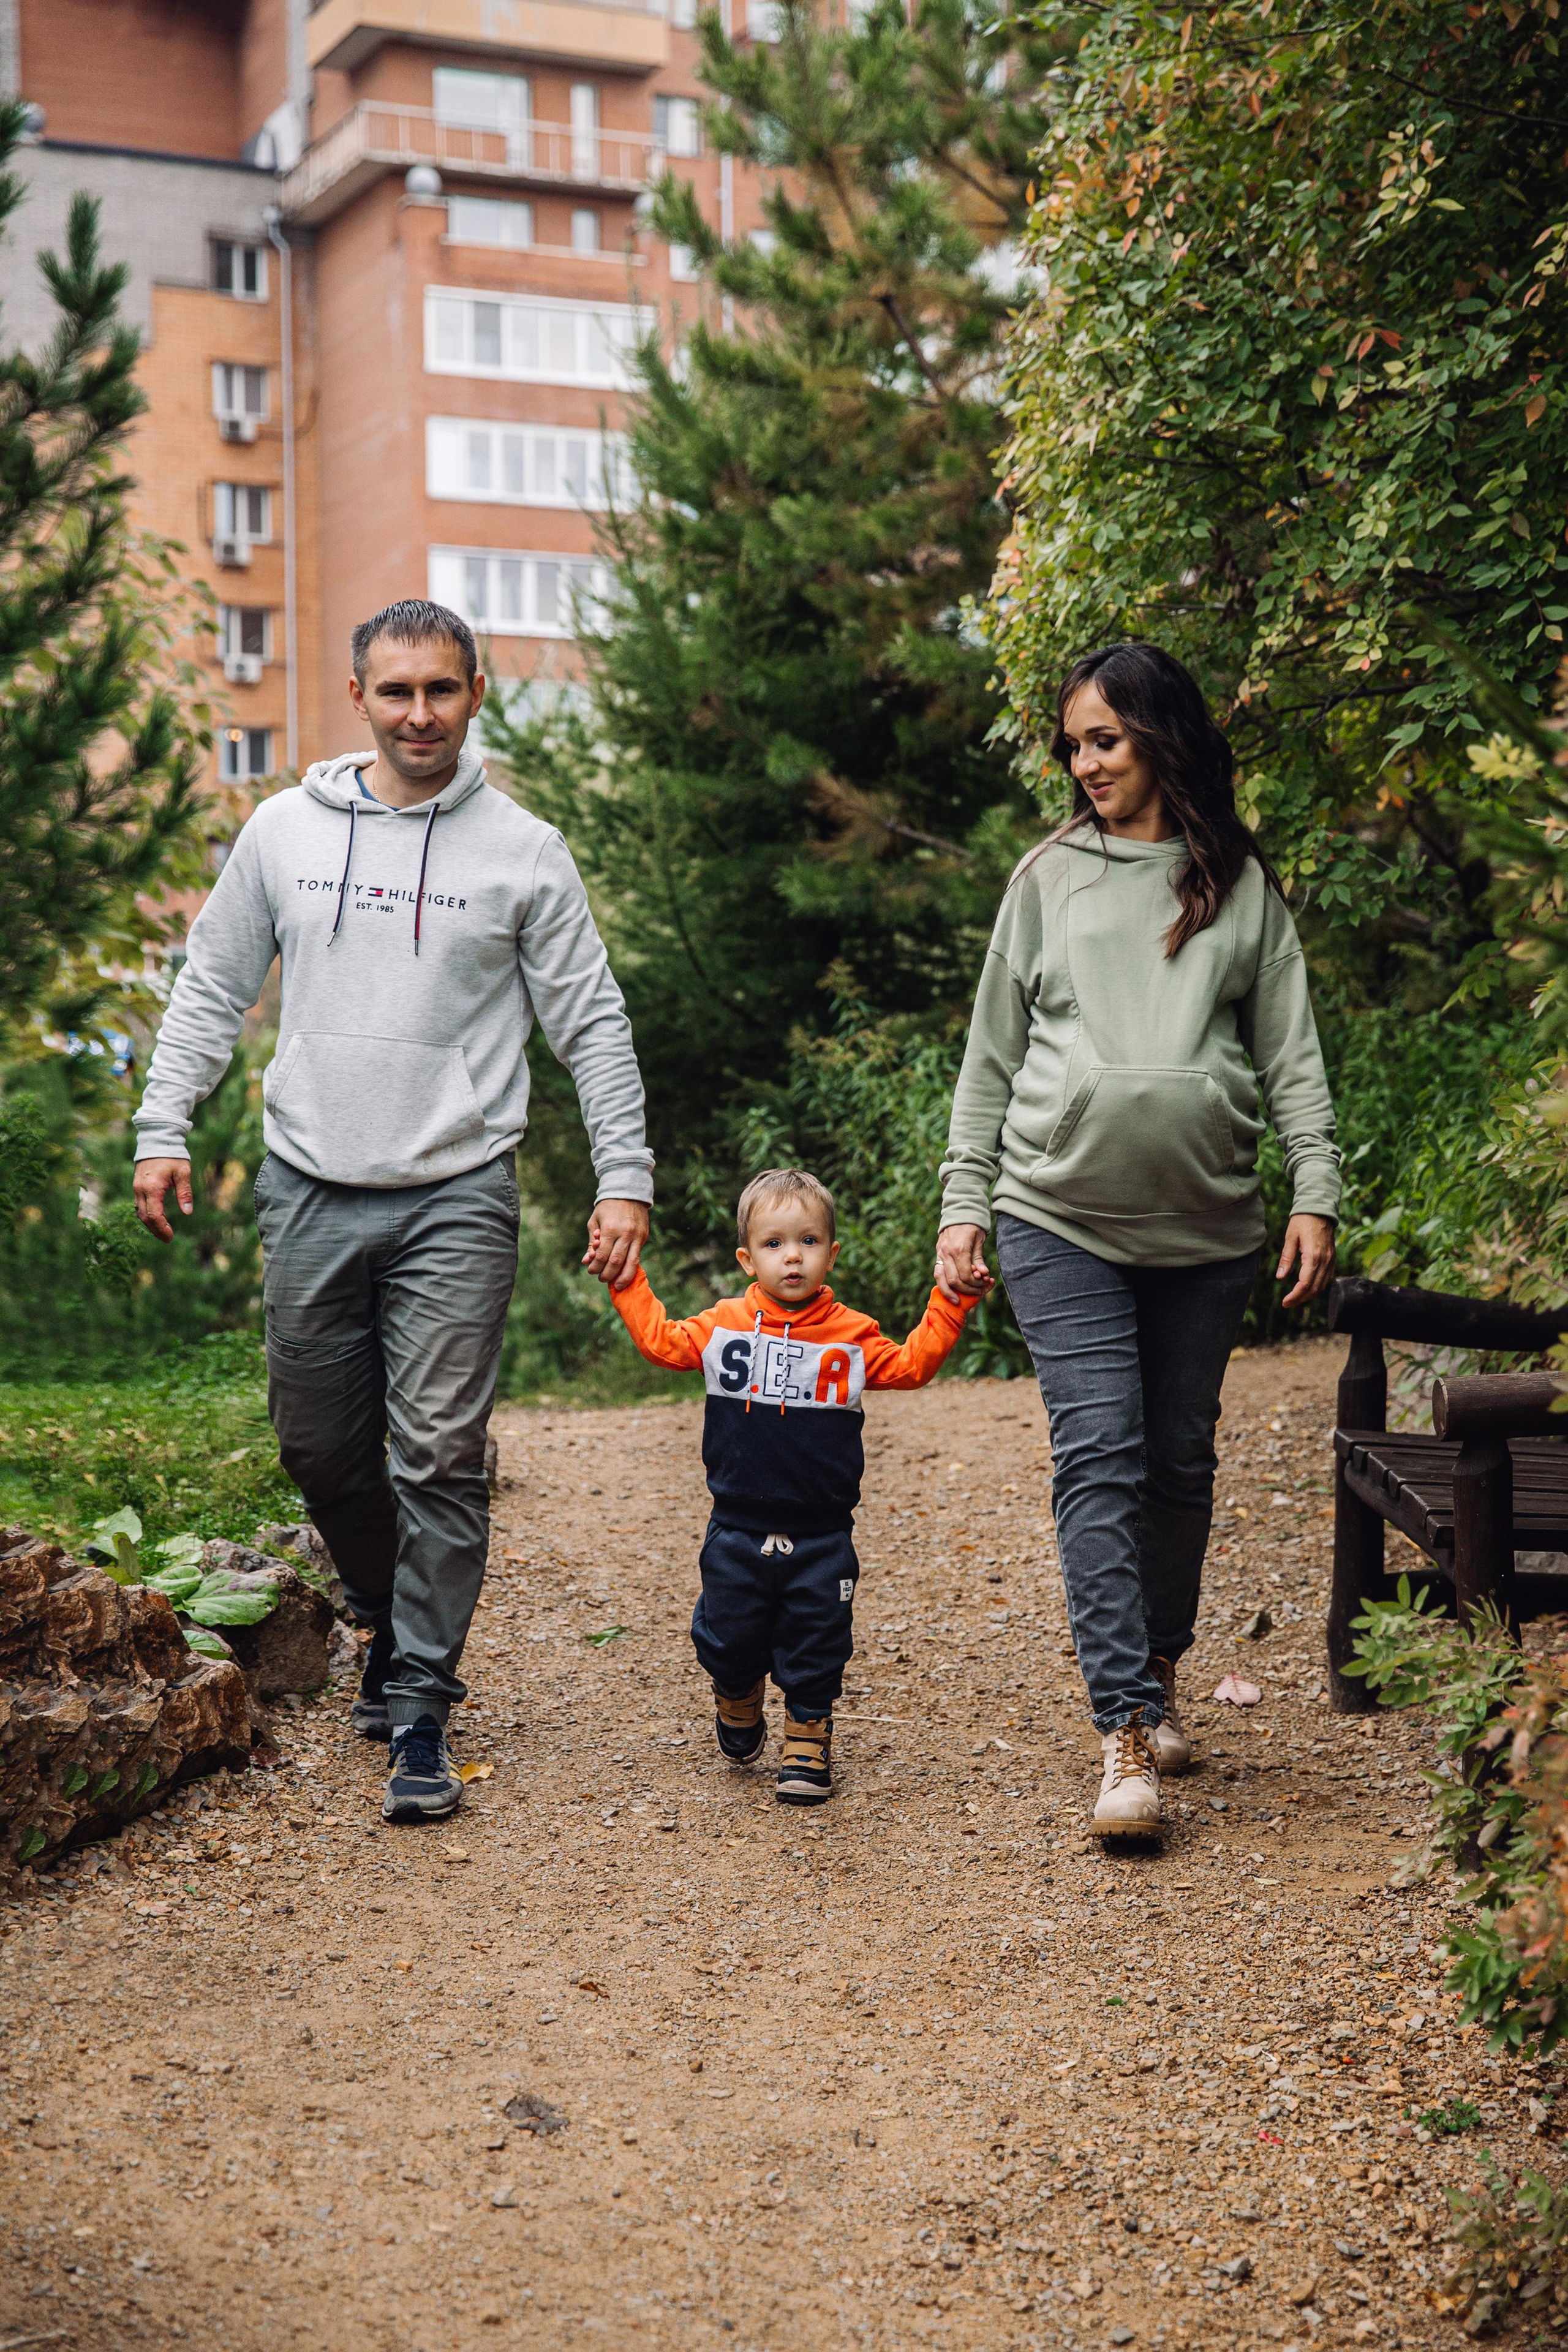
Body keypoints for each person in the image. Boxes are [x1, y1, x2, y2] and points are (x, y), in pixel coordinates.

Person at [132, 599, 653, 1824]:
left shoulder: (524, 851)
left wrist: (623, 1173)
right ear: (360, 696)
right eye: (397, 691)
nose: (420, 714)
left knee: (438, 1454)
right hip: (310, 1177)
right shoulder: (283, 830)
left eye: (441, 689)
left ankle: (420, 1699)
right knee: (317, 1445)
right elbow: (210, 985)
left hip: (457, 1190)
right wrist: (163, 1126)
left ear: (475, 694)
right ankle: (381, 1611)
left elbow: (591, 1023)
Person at [934, 641, 1339, 1838]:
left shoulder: (1235, 883)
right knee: (1099, 1457)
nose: (1085, 763)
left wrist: (1313, 1189)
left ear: (1161, 737)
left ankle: (1156, 1673)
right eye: (1073, 745)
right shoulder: (1047, 879)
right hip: (1056, 1214)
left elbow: (1291, 1057)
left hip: (1206, 1228)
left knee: (1178, 1465)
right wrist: (964, 1202)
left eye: (1103, 740)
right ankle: (1122, 1731)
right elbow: (990, 1060)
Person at [601, 1167, 984, 1804]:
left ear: (831, 1253)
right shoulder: (725, 1325)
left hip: (822, 1530)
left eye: (808, 1241)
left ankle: (808, 1730)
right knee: (728, 1635)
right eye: (774, 1244)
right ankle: (737, 1690)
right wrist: (626, 1281)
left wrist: (951, 1302)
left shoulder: (852, 1335)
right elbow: (663, 1343)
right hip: (736, 1524)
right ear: (747, 1258)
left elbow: (912, 1365)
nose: (793, 1257)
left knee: (819, 1637)